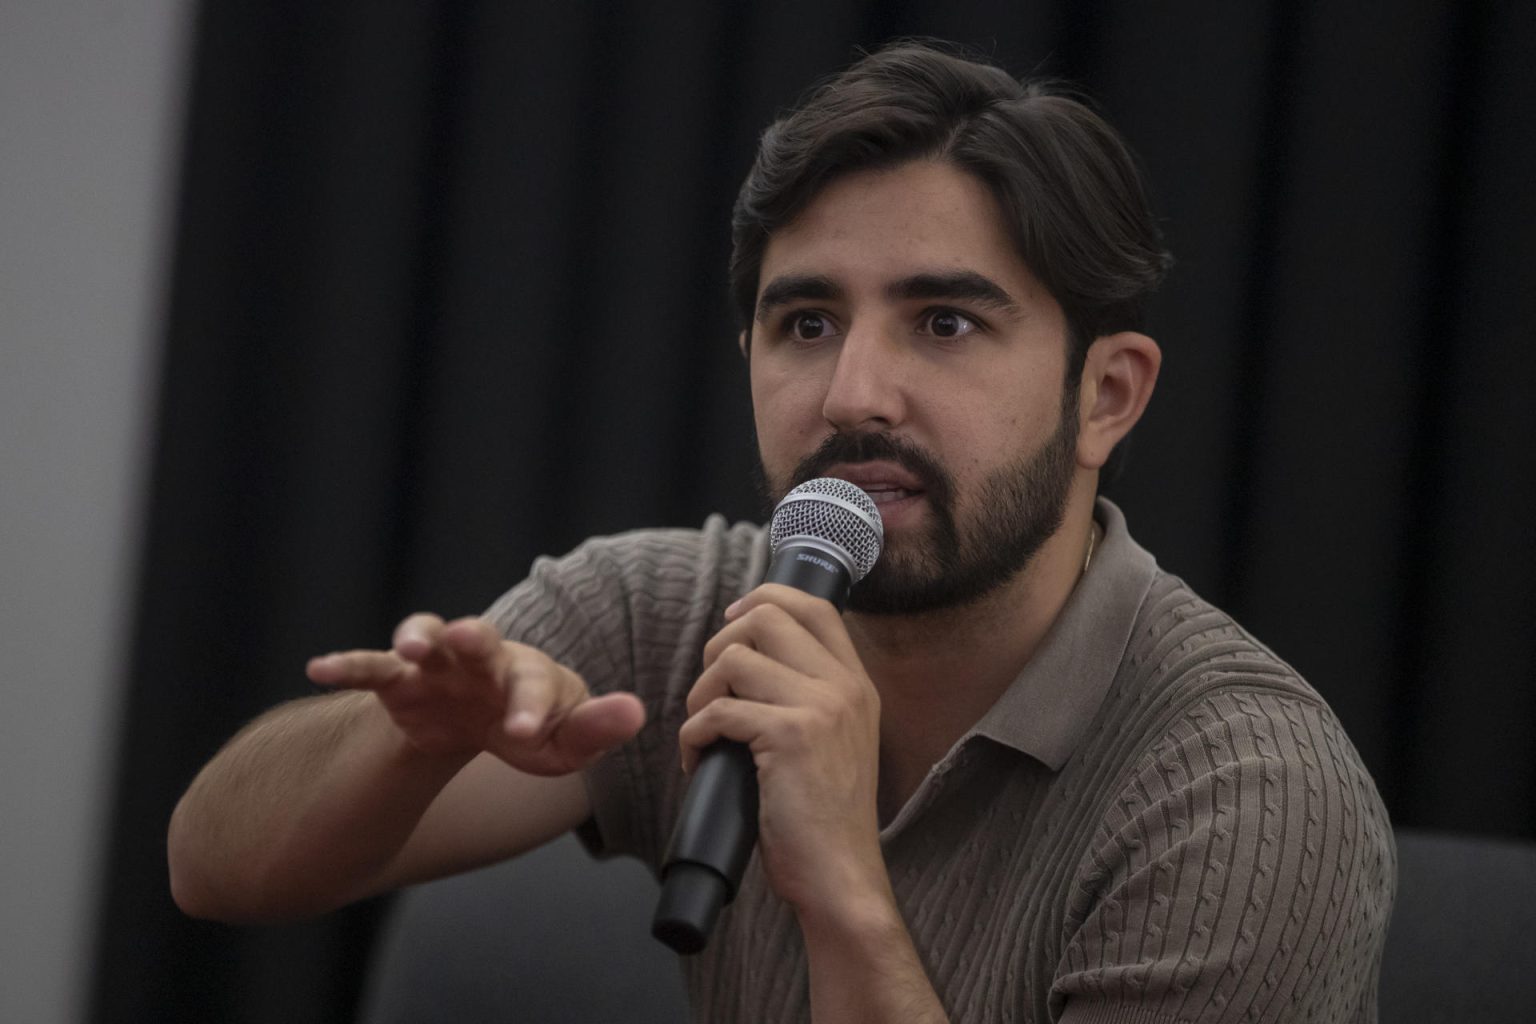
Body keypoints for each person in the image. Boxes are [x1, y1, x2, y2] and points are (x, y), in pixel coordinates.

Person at [169, 41, 1395, 1023]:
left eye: (946, 324)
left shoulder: (1248, 792)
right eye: (805, 322)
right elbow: (210, 869)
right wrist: (411, 740)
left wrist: (845, 892)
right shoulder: (671, 612)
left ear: (1108, 395)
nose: (855, 391)